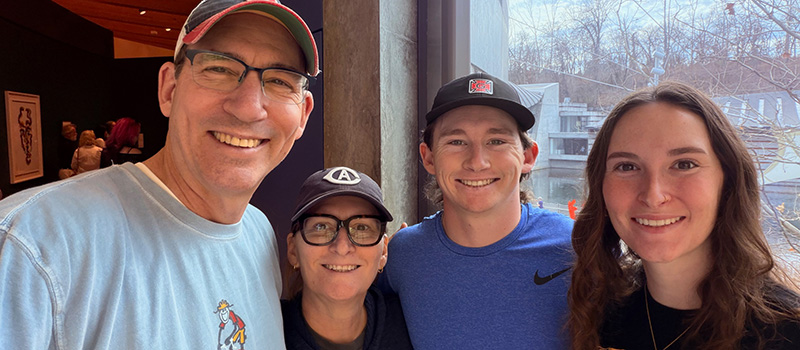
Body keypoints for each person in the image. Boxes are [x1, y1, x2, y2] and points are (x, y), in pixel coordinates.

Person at [0, 0, 319, 348]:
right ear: (169, 89)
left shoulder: (258, 233)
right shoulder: (34, 245)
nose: (248, 107)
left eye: (279, 80)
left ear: (302, 115)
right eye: (219, 69)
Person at [568, 81, 800, 350]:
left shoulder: (786, 333)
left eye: (684, 164)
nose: (653, 195)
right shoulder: (601, 311)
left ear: (728, 181)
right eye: (627, 166)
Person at [380, 72, 574, 349]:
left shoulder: (577, 247)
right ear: (429, 157)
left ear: (528, 156)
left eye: (496, 141)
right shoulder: (403, 254)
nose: (477, 162)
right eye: (456, 142)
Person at [282, 166, 412, 349]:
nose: (342, 247)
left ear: (383, 252)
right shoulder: (263, 331)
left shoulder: (411, 323)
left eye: (361, 228)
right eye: (321, 227)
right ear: (293, 250)